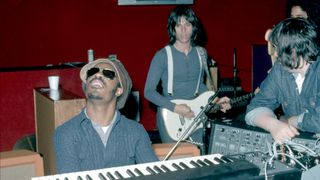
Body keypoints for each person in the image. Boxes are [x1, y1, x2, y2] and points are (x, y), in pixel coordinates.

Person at [54, 58, 158, 174]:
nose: (97, 74)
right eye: (92, 71)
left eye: (108, 73)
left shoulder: (136, 131)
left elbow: (156, 177)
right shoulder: (66, 133)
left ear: (118, 90)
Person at [144, 5, 231, 144]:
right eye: (178, 25)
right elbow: (148, 92)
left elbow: (200, 85)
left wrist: (216, 101)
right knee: (175, 161)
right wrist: (176, 108)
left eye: (187, 24)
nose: (183, 30)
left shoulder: (201, 53)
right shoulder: (162, 56)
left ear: (194, 27)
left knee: (198, 158)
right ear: (173, 29)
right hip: (170, 114)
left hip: (195, 114)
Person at [245, 18, 320, 143]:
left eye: (279, 48)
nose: (275, 54)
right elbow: (254, 108)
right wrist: (274, 125)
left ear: (296, 49)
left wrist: (290, 120)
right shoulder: (280, 70)